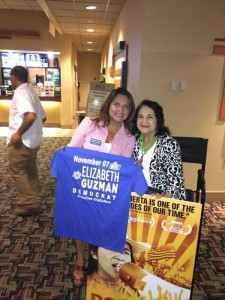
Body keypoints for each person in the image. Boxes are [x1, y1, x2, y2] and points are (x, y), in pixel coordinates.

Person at [66, 87, 136, 287]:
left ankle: (101, 263)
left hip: (109, 190)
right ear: (109, 104)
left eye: (126, 106)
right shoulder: (90, 123)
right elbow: (73, 149)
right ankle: (80, 259)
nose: (120, 110)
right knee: (81, 221)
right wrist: (65, 153)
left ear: (130, 110)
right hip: (85, 185)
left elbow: (125, 166)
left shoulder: (129, 136)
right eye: (117, 104)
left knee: (106, 225)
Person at [6, 66, 46, 216]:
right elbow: (43, 117)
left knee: (16, 171)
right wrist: (34, 130)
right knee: (30, 170)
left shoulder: (20, 93)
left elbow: (30, 116)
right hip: (34, 141)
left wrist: (18, 133)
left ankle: (30, 202)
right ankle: (34, 198)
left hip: (22, 142)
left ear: (14, 77)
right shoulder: (31, 92)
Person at [133, 99, 187, 200]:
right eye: (140, 117)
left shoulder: (169, 144)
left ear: (158, 119)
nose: (144, 121)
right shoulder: (133, 139)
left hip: (159, 194)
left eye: (150, 117)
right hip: (137, 192)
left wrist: (165, 197)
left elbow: (175, 180)